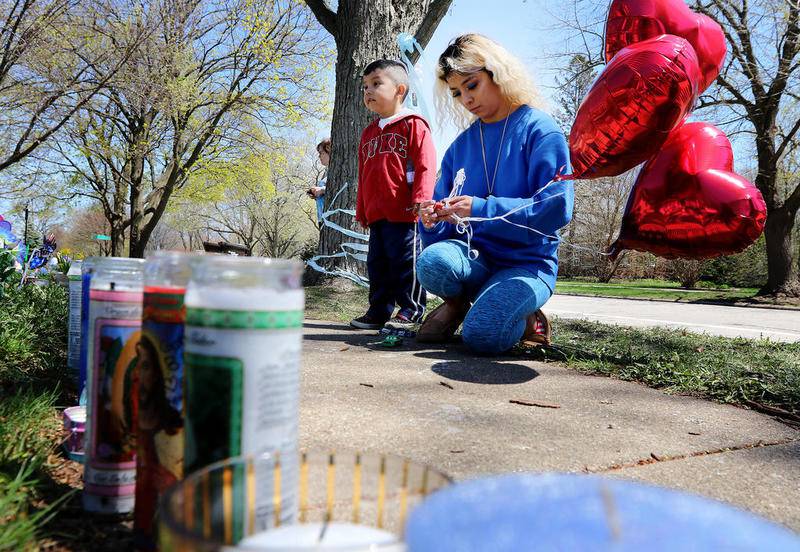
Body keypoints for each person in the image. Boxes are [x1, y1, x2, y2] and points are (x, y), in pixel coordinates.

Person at [416, 34, 574, 354]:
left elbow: (557, 207)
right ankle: (459, 304)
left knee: (483, 335)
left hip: (528, 264)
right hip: (476, 260)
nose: (466, 99)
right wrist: (433, 220)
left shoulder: (541, 129)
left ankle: (528, 316)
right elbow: (444, 222)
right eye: (457, 92)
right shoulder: (461, 146)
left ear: (497, 73)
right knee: (431, 261)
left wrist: (480, 208)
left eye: (472, 85)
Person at [350, 59, 436, 330]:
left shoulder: (413, 124)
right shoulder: (368, 133)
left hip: (404, 212)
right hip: (377, 213)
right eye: (365, 86)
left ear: (400, 90)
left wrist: (421, 199)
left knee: (404, 263)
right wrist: (362, 209)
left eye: (376, 84)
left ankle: (411, 309)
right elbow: (363, 174)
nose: (368, 91)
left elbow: (426, 163)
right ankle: (378, 311)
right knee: (377, 264)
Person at [308, 138, 331, 227]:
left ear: (329, 151)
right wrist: (315, 193)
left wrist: (322, 190)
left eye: (321, 153)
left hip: (332, 220)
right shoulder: (326, 172)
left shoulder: (339, 171)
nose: (319, 156)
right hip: (322, 219)